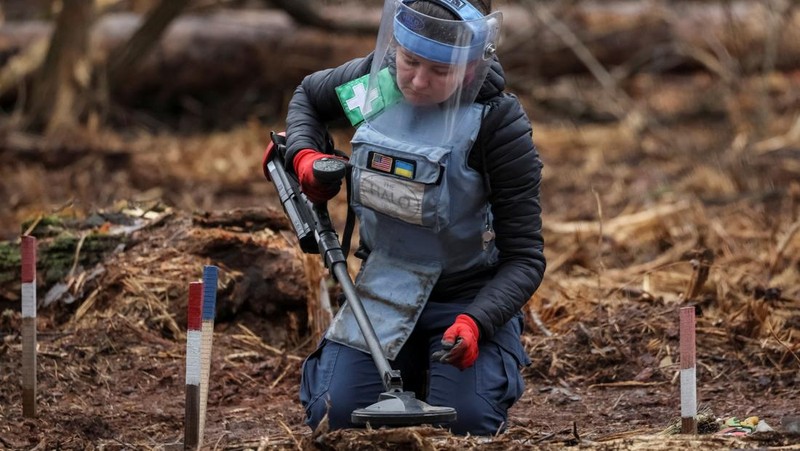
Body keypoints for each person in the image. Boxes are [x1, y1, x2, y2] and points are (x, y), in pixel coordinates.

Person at [282, 0, 545, 436]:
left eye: (440, 71)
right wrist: (305, 155)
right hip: (383, 287)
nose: (418, 82)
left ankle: (443, 373)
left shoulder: (496, 124)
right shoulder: (380, 85)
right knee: (338, 417)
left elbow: (525, 258)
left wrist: (477, 322)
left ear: (470, 65)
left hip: (466, 299)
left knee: (464, 425)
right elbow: (309, 96)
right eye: (410, 61)